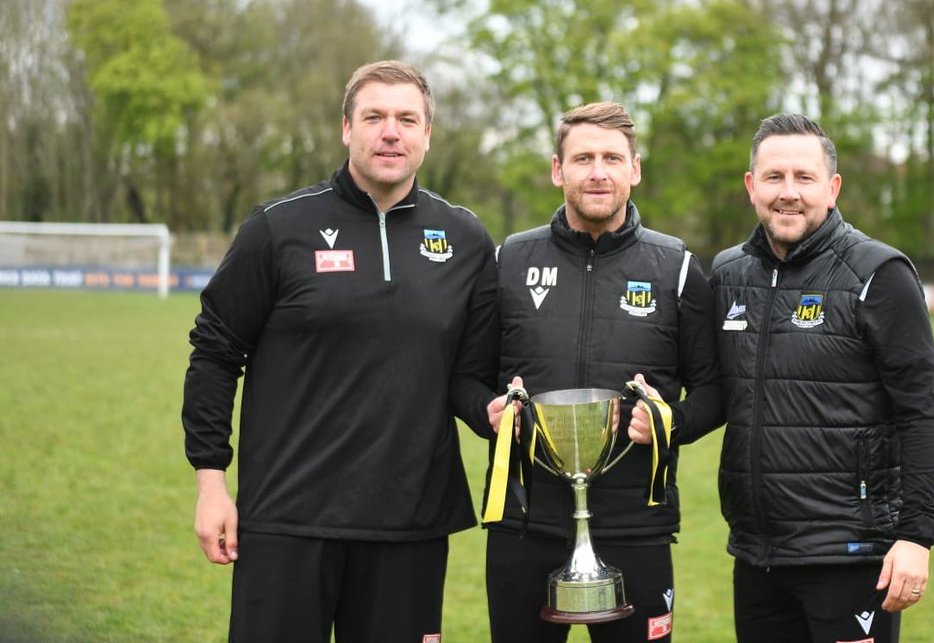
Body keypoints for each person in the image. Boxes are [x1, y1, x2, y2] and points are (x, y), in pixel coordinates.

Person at [182, 60, 499, 643]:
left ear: (427, 134)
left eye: (407, 119)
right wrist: (211, 484)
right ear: (345, 128)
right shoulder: (279, 229)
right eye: (374, 116)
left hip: (410, 523)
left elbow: (470, 377)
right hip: (287, 518)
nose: (390, 132)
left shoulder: (466, 240)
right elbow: (215, 352)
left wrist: (491, 413)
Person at [482, 102, 724, 643]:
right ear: (556, 170)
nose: (598, 172)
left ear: (634, 169)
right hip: (525, 524)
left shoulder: (677, 266)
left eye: (612, 158)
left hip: (636, 526)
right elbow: (464, 379)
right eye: (583, 158)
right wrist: (487, 412)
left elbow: (716, 389)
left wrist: (671, 422)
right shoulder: (509, 262)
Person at [709, 113, 934, 643]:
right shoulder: (728, 276)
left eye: (804, 177)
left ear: (833, 188)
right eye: (774, 177)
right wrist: (659, 419)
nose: (788, 193)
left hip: (852, 554)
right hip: (758, 554)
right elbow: (719, 395)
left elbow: (922, 415)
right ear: (751, 186)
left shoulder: (878, 274)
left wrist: (916, 536)